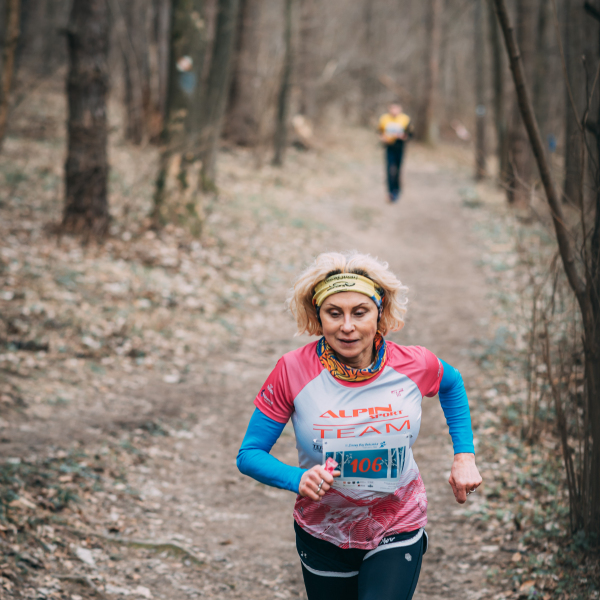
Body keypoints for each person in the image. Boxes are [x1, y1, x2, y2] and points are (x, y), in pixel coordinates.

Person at [237, 251, 482, 600]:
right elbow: (249, 454)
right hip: (323, 529)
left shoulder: (414, 364)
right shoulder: (292, 370)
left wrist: (464, 456)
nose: (347, 326)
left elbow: (452, 384)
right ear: (318, 316)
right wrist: (297, 478)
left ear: (379, 313)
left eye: (360, 312)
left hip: (397, 520)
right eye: (334, 313)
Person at [378, 103, 413, 203]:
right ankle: (390, 192)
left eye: (396, 108)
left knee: (397, 169)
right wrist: (382, 138)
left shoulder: (405, 119)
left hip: (400, 147)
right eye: (392, 108)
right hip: (389, 147)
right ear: (389, 108)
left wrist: (403, 136)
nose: (394, 110)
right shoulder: (384, 118)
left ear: (400, 109)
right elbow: (379, 132)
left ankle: (397, 189)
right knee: (389, 169)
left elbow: (410, 135)